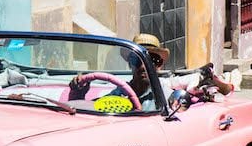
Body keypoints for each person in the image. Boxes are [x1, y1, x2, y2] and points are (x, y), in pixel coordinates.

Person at [70, 33, 235, 111]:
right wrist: (78, 94)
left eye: (152, 61)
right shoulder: (119, 93)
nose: (143, 66)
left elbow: (222, 92)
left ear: (160, 65)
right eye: (137, 60)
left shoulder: (168, 90)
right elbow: (94, 111)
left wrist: (213, 80)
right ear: (130, 64)